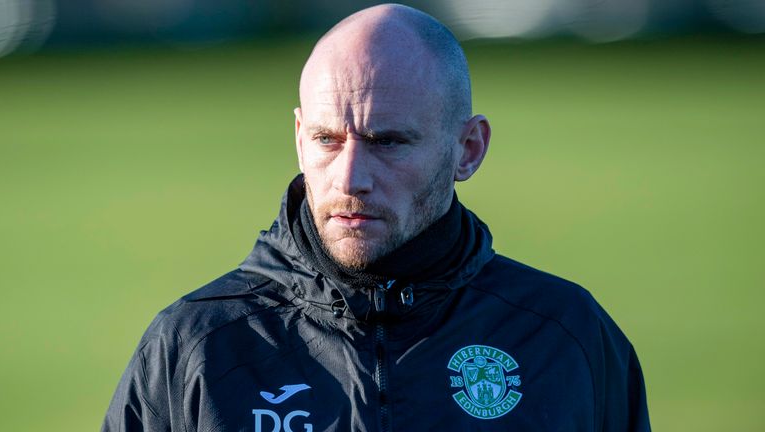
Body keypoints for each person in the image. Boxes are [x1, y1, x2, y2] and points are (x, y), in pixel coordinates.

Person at [102, 4, 650, 431]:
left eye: (387, 142)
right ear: (298, 139)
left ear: (468, 149)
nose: (349, 179)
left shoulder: (566, 337)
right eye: (325, 140)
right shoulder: (197, 347)